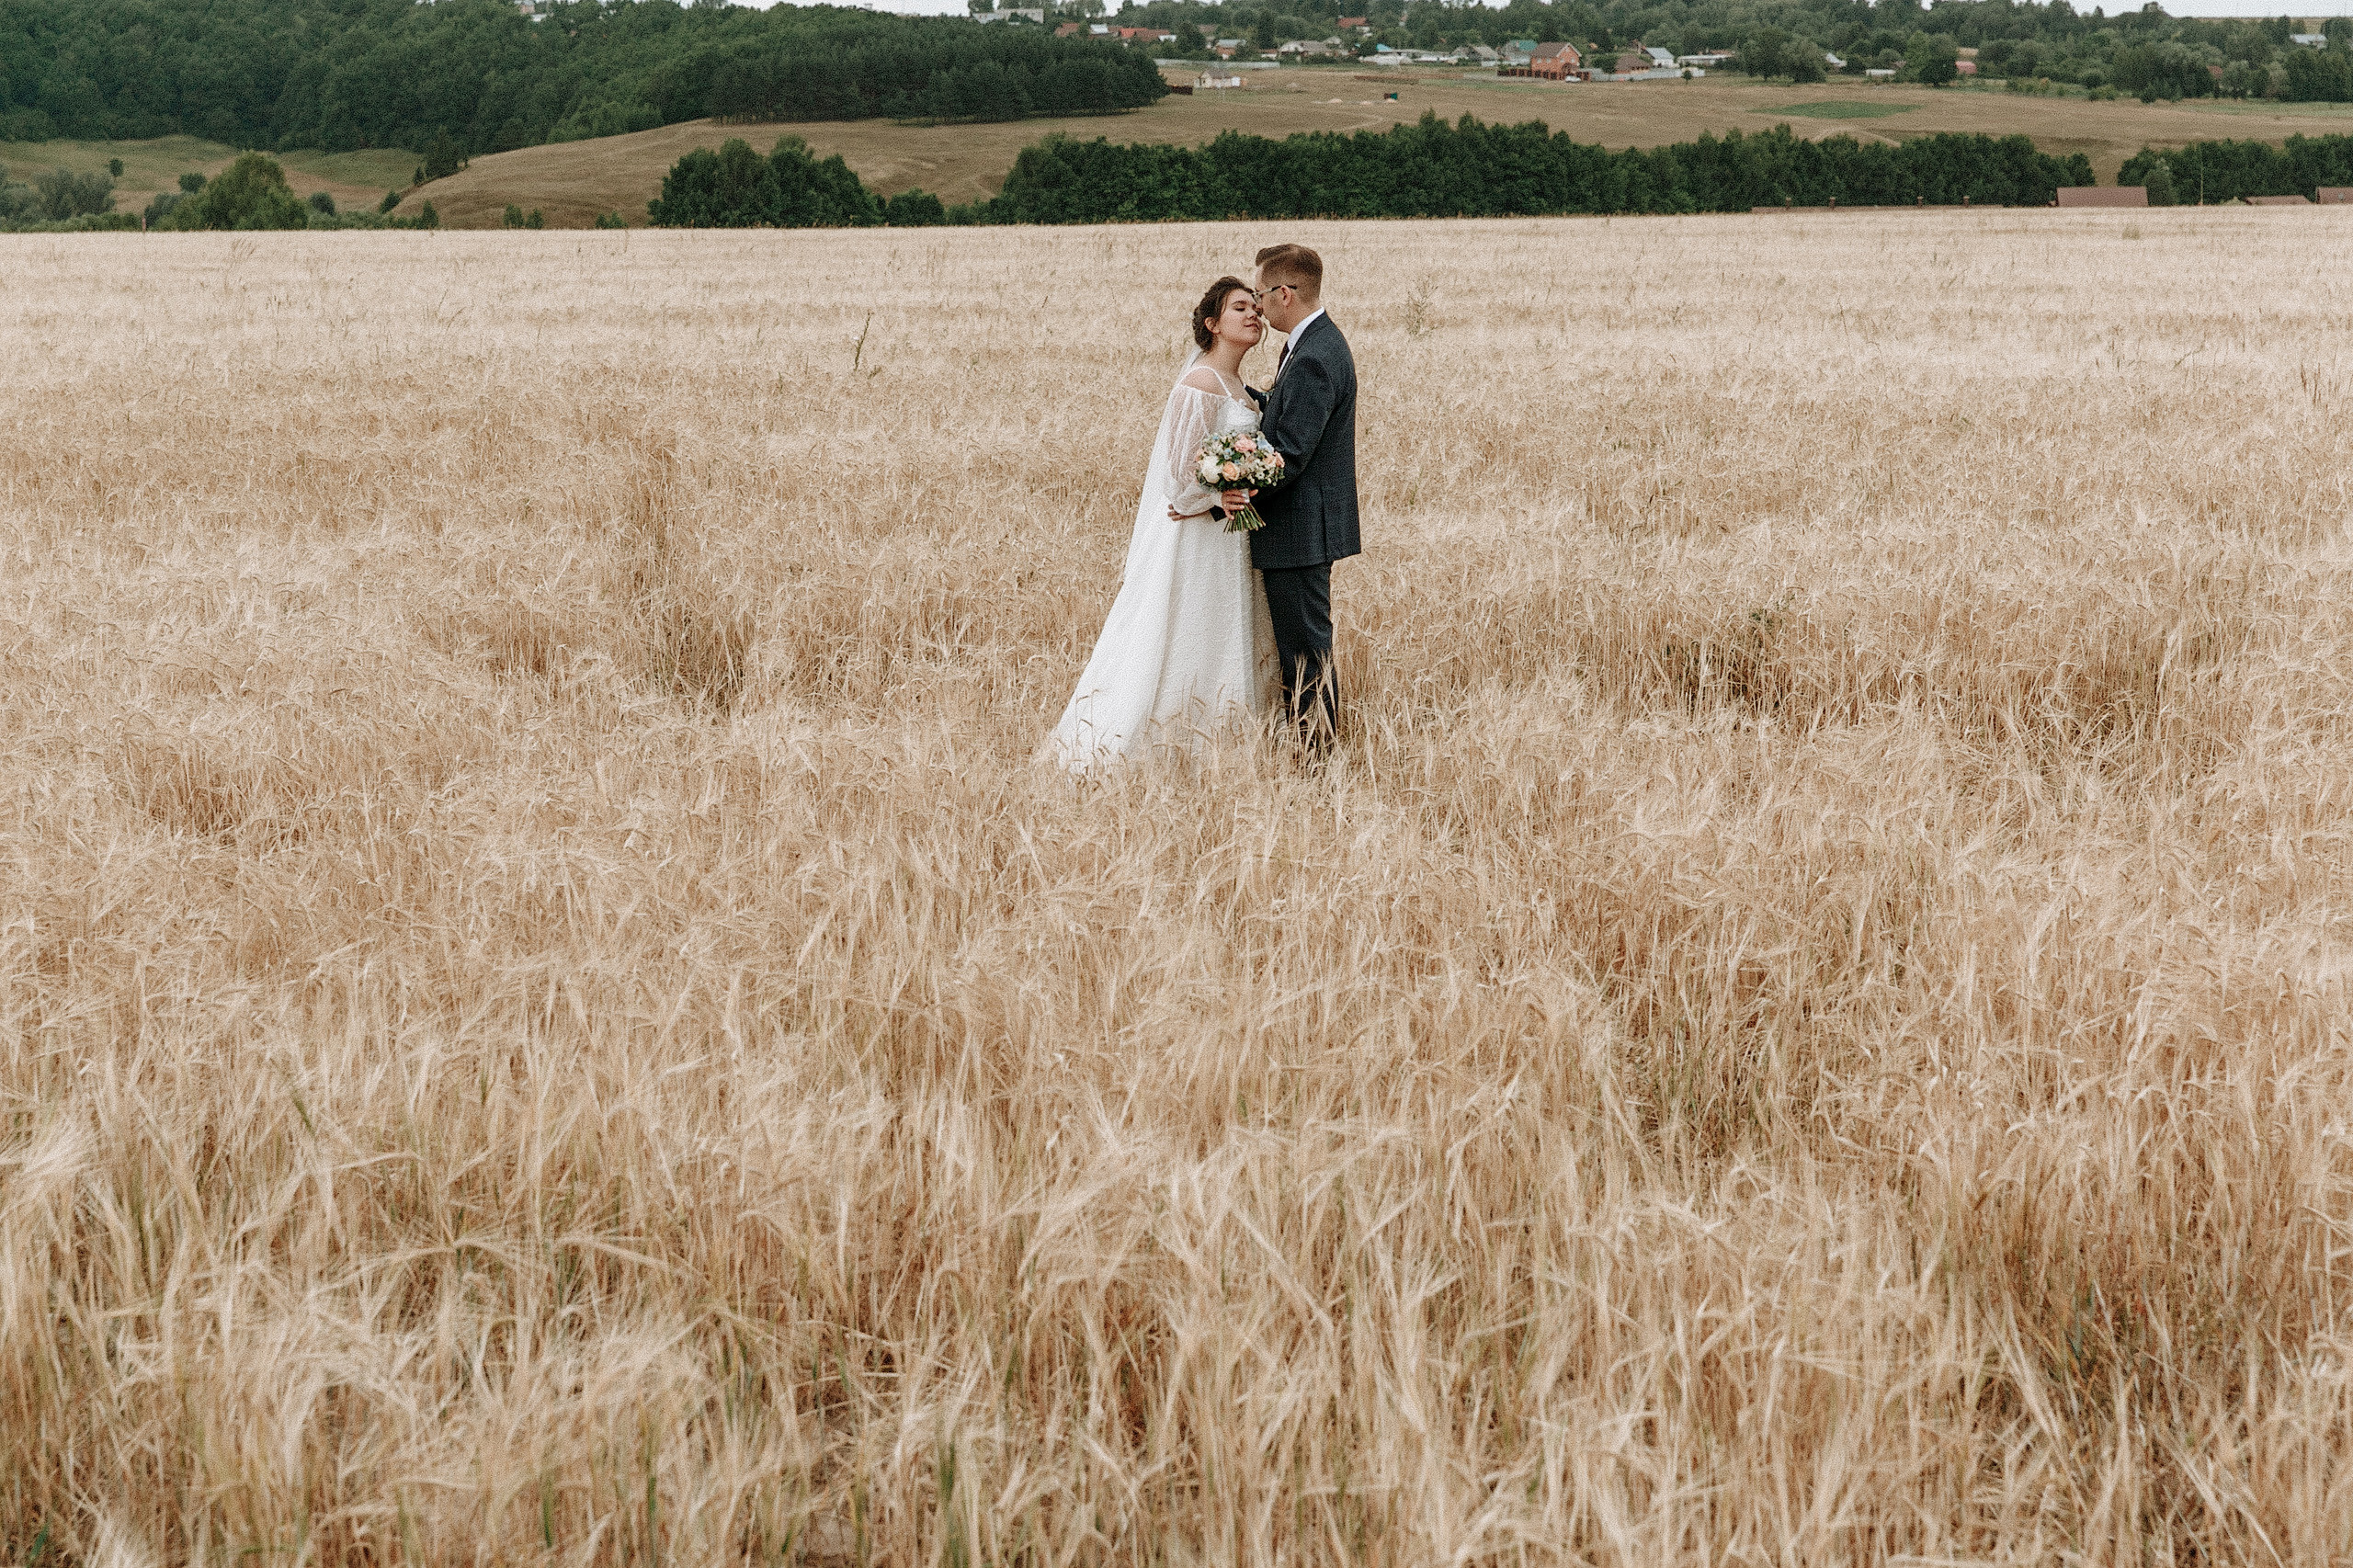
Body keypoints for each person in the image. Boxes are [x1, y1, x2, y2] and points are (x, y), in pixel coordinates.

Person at [1042, 278, 1278, 772]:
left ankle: (1221, 745)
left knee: (1226, 626)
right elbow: (1176, 476)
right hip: (1198, 535)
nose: (1254, 315)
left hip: (1232, 535)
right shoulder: (1199, 384)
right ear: (1213, 324)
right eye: (1240, 308)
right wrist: (1221, 495)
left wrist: (1243, 486)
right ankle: (1145, 747)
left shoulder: (1243, 391)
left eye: (1256, 307)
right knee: (1185, 626)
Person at [1224, 244, 1359, 754]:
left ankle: (1318, 761)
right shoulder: (1313, 344)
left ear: (1284, 293)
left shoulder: (1315, 357)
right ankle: (1311, 754)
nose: (1257, 307)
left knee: (1305, 653)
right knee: (1304, 648)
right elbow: (1290, 413)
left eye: (1259, 296)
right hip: (1305, 528)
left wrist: (1231, 479)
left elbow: (1289, 456)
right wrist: (1237, 397)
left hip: (1299, 530)